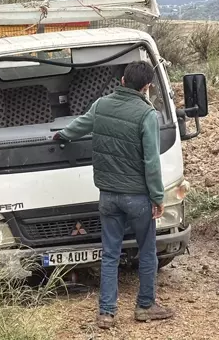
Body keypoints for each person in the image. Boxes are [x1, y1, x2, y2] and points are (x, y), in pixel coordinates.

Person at [53, 61, 173, 329]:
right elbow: (151, 162)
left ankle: (106, 313)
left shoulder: (101, 105)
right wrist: (158, 197)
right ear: (147, 87)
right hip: (138, 197)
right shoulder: (147, 115)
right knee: (147, 251)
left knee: (110, 254)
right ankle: (145, 306)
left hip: (108, 195)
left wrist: (61, 135)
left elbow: (79, 126)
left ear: (122, 81)